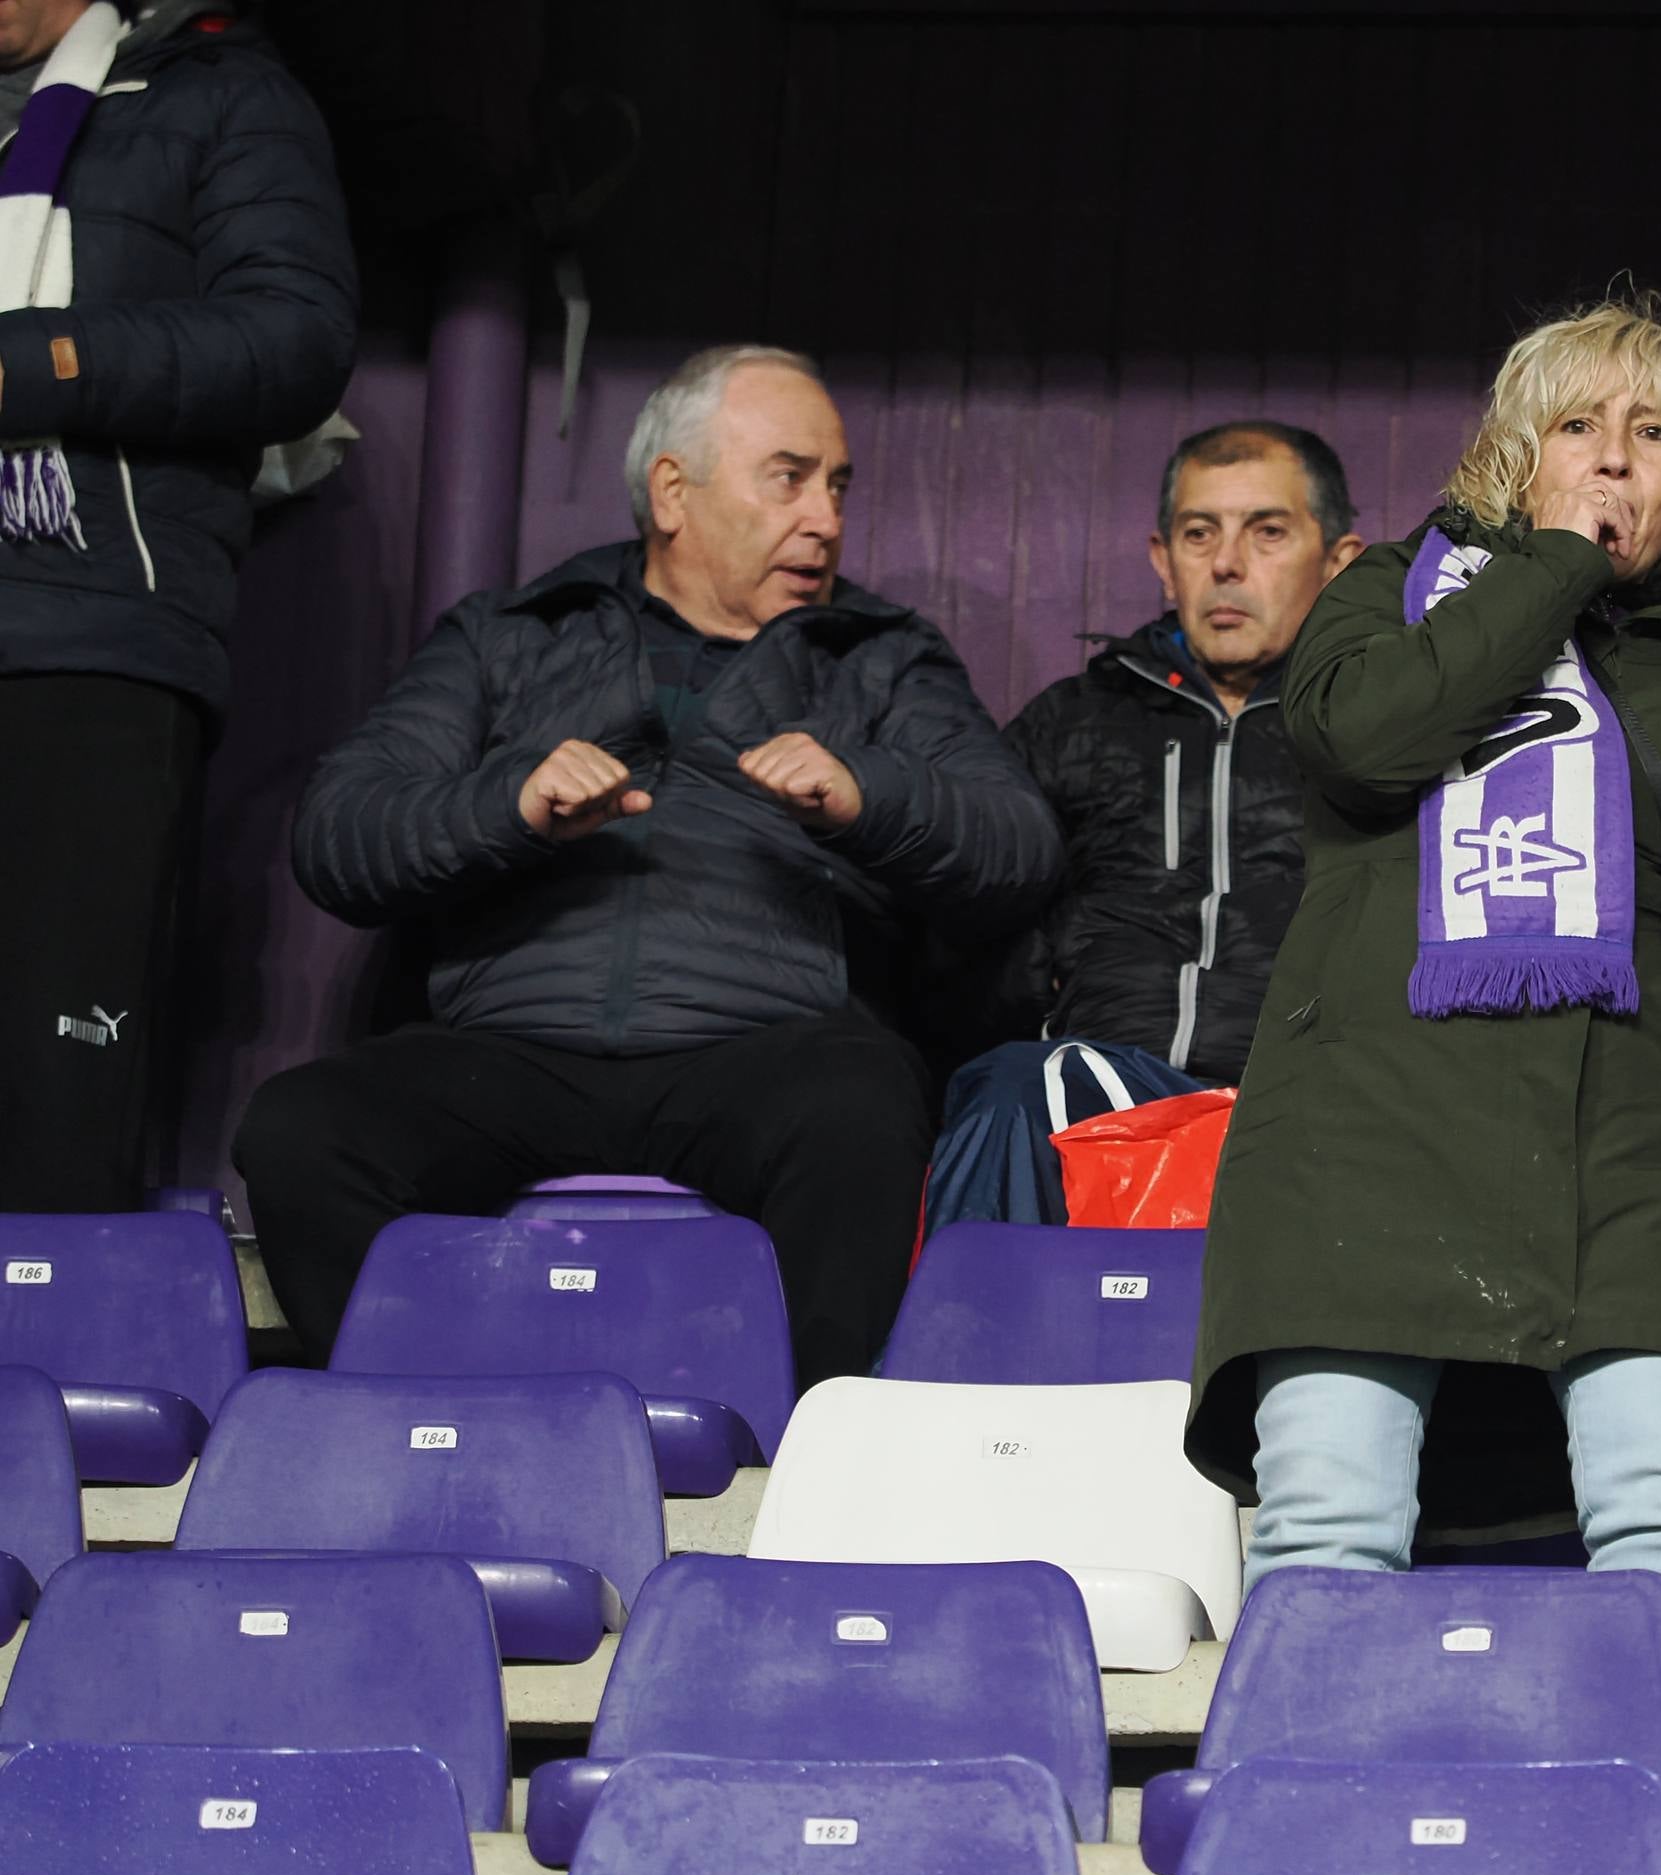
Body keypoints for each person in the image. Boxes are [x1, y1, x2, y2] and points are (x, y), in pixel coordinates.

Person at [1184, 295, 1661, 1779]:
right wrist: (1542, 571)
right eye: (1576, 429)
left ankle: (1649, 1854)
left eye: (1650, 431)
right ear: (1512, 459)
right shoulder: (1393, 589)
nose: (1612, 461)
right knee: (1333, 1525)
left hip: (1634, 1167)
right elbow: (1365, 739)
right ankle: (1296, 1851)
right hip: (1370, 1143)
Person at [235, 344, 1062, 1382]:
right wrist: (511, 803)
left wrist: (865, 796)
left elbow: (1017, 847)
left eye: (837, 486)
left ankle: (801, 1462)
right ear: (674, 490)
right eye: (790, 477)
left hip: (765, 1047)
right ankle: (435, 1420)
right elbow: (339, 835)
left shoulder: (879, 653)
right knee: (302, 1129)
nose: (825, 518)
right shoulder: (511, 636)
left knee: (861, 1110)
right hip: (513, 1047)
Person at [0, 0, 356, 1212]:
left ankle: (33, 1388)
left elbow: (297, 337)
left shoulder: (219, 91)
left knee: (48, 1103)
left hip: (91, 634)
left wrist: (38, 365)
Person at [919, 423, 1362, 1233]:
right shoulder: (1075, 720)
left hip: (1314, 1079)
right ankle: (956, 1356)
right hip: (1113, 1072)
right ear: (1164, 560)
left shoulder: (1376, 721)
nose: (1226, 564)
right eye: (1200, 534)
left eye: (1268, 532)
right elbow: (977, 903)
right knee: (1009, 1086)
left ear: (1338, 561)